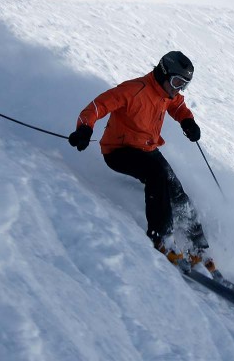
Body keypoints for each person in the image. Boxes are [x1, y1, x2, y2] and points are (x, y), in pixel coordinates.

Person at [68, 51, 214, 271]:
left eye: (183, 85)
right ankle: (161, 237)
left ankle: (198, 245)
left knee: (176, 190)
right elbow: (98, 106)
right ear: (164, 73)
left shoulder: (168, 93)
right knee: (157, 175)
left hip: (147, 149)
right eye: (176, 82)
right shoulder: (134, 90)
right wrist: (84, 129)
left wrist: (187, 121)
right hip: (118, 151)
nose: (178, 89)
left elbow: (177, 106)